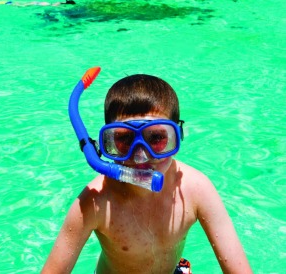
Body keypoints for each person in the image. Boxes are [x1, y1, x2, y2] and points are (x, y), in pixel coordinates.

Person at [42, 71, 252, 274]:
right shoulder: (96, 202)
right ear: (108, 143)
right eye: (124, 139)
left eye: (156, 138)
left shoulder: (196, 189)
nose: (141, 156)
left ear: (176, 136)